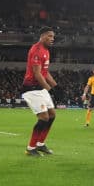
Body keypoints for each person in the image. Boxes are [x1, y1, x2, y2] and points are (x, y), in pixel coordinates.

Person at [21, 27, 60, 156]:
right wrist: (51, 90)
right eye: (49, 36)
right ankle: (30, 148)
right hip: (31, 88)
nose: (52, 39)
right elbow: (37, 74)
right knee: (44, 117)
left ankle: (40, 144)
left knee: (52, 115)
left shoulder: (46, 51)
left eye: (53, 37)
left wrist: (56, 87)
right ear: (42, 36)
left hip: (40, 88)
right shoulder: (37, 50)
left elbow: (45, 72)